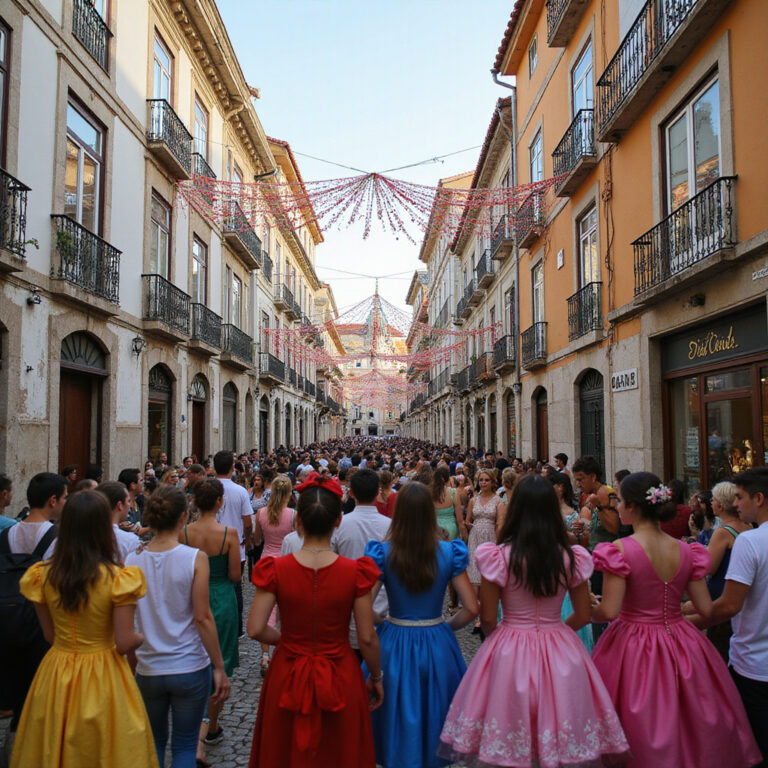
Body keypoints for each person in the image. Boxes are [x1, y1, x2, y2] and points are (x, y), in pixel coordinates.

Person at [439, 475, 630, 767]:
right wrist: (558, 633)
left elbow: (488, 616)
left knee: (508, 727)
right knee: (562, 719)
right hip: (560, 643)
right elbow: (581, 613)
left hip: (510, 644)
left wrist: (500, 639)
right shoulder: (570, 558)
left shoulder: (499, 557)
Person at [591, 472, 760, 768]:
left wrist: (585, 607)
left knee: (635, 721)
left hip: (632, 644)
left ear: (631, 507)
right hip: (684, 642)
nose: (616, 507)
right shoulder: (686, 551)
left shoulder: (620, 552)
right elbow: (707, 609)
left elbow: (609, 611)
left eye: (618, 500)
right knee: (691, 718)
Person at [9, 490, 157, 768]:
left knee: (53, 743)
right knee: (109, 747)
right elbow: (124, 642)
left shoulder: (43, 576)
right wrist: (142, 636)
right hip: (103, 671)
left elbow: (50, 635)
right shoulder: (117, 578)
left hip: (57, 669)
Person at [246, 471, 383, 768]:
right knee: (339, 752)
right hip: (340, 672)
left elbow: (256, 627)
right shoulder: (356, 572)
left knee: (284, 750)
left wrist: (286, 640)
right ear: (338, 521)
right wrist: (376, 676)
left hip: (288, 670)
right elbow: (366, 637)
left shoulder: (276, 569)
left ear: (298, 522)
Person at [364, 481, 479, 768]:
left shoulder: (383, 552)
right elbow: (472, 608)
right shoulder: (449, 552)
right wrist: (446, 626)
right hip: (437, 642)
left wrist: (381, 620)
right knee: (436, 714)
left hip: (394, 639)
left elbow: (363, 606)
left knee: (394, 717)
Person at [127, 485, 231, 768]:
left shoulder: (132, 559)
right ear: (184, 518)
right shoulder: (194, 558)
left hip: (149, 666)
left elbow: (128, 620)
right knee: (185, 746)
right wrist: (219, 666)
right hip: (188, 665)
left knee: (156, 743)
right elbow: (202, 617)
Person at [688, 467, 768, 763]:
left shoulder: (751, 541)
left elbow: (729, 605)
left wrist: (682, 623)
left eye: (740, 497)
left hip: (755, 667)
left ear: (758, 499)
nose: (736, 504)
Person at [1, 473, 66, 739]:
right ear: (52, 501)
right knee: (37, 695)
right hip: (42, 624)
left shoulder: (7, 534)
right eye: (64, 498)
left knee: (15, 698)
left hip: (7, 620)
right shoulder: (57, 538)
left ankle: (13, 746)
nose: (65, 502)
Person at [182, 479, 240, 764]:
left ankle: (202, 727)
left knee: (195, 659)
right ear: (220, 502)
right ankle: (207, 730)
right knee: (221, 662)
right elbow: (235, 576)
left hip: (193, 597)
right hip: (221, 597)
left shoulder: (183, 533)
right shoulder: (229, 534)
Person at [332, 468, 391, 649]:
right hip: (384, 610)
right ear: (377, 492)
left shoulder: (340, 526)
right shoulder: (391, 526)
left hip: (347, 610)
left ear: (351, 493)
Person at [572, 455, 618, 643]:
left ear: (593, 477)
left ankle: (605, 640)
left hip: (608, 559)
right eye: (576, 479)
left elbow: (614, 527)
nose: (578, 483)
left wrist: (599, 507)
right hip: (595, 556)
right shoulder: (587, 496)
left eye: (581, 478)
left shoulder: (608, 492)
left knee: (602, 601)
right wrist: (582, 528)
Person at [253, 474, 294, 676]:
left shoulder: (261, 513)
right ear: (289, 492)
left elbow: (257, 539)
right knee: (285, 608)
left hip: (266, 561)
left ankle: (265, 655)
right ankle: (282, 650)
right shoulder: (293, 515)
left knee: (266, 609)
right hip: (286, 562)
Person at [550, 471, 593, 651]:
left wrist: (574, 533)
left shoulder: (573, 513)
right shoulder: (546, 511)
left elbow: (580, 542)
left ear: (561, 487)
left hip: (566, 562)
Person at [214, 450, 252, 635]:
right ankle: (236, 628)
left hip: (209, 546)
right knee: (235, 588)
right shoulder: (240, 491)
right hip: (237, 547)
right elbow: (248, 521)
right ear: (232, 468)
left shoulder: (207, 487)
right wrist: (247, 537)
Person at [96, 481, 140, 562]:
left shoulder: (84, 536)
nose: (130, 506)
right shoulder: (131, 541)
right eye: (128, 501)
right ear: (120, 505)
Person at [432, 466, 465, 541]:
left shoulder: (429, 493)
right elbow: (460, 520)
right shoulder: (453, 492)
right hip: (451, 530)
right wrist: (464, 535)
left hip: (434, 530)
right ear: (448, 479)